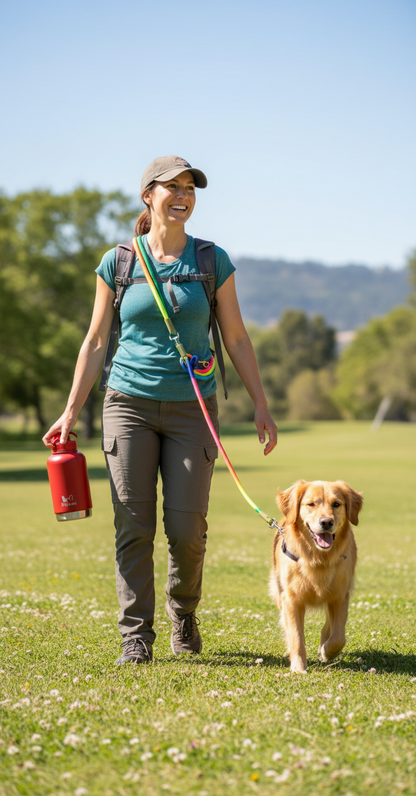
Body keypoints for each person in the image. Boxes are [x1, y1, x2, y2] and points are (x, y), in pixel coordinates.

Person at [43, 155, 277, 664]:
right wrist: (68, 411)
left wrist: (260, 402)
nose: (183, 194)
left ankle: (183, 610)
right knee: (133, 523)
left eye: (190, 187)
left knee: (188, 529)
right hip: (127, 403)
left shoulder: (213, 261)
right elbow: (96, 340)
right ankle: (136, 635)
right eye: (171, 186)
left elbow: (235, 337)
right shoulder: (119, 262)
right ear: (148, 195)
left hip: (194, 409)